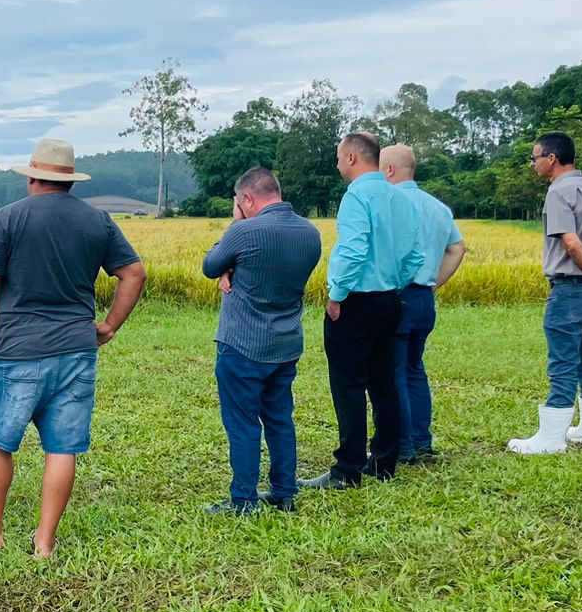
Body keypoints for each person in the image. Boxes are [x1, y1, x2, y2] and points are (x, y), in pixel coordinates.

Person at [0, 137, 145, 555]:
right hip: (76, 348)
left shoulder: (8, 218)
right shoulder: (99, 221)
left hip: (17, 347)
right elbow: (134, 273)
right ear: (70, 180)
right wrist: (108, 326)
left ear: (33, 176)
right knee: (62, 445)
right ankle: (45, 541)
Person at [299, 132, 425, 489]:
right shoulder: (400, 197)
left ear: (352, 157)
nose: (338, 164)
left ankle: (347, 469)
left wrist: (337, 295)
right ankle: (384, 461)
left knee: (348, 385)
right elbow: (415, 255)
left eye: (339, 157)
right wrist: (393, 283)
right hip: (390, 299)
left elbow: (353, 251)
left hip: (355, 302)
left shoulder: (357, 196)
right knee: (384, 382)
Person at [200, 169, 322, 514]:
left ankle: (243, 499)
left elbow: (211, 265)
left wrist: (233, 234)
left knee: (242, 424)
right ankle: (284, 492)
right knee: (280, 419)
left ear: (247, 199)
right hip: (285, 343)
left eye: (238, 204)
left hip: (243, 344)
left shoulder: (244, 230)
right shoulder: (310, 233)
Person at [509, 131, 582, 454]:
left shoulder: (558, 193)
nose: (533, 163)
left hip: (571, 287)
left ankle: (551, 438)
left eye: (534, 157)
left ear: (552, 159)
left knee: (562, 361)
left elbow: (571, 242)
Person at [380, 144, 467, 463]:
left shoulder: (388, 204)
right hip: (423, 300)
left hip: (396, 297)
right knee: (415, 369)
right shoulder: (437, 207)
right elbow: (457, 249)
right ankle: (421, 440)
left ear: (388, 170)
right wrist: (433, 282)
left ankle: (401, 446)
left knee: (394, 372)